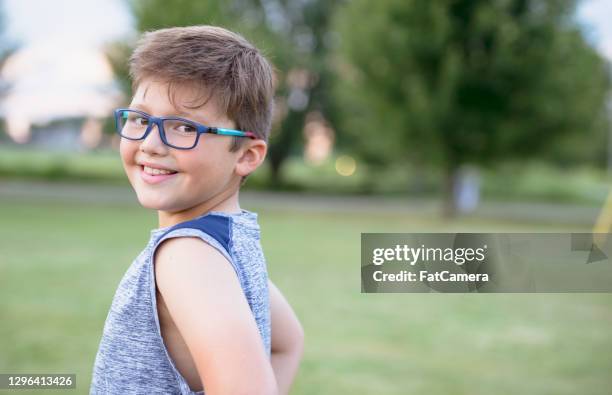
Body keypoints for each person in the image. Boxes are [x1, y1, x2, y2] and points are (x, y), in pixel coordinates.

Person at [90, 25, 304, 395]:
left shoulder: (188, 256)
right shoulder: (229, 239)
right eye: (141, 119)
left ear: (247, 156)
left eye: (184, 127)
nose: (152, 144)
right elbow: (288, 343)